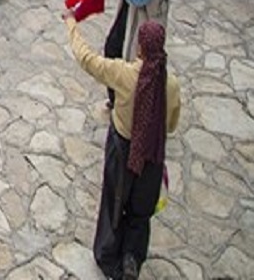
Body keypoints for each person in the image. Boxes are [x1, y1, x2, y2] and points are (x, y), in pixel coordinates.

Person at [63, 16, 180, 280]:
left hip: (122, 148)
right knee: (141, 210)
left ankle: (108, 254)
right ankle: (132, 257)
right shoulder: (171, 85)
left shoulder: (125, 74)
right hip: (152, 154)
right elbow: (171, 124)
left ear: (140, 47)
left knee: (114, 201)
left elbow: (87, 59)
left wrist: (71, 25)